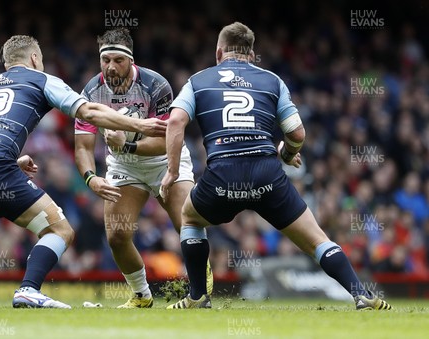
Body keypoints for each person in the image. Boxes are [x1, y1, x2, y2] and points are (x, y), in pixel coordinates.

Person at [0, 35, 166, 309]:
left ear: (6, 63)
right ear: (35, 59)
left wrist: (13, 162)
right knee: (60, 230)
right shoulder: (42, 79)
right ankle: (28, 289)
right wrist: (142, 126)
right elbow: (89, 112)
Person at [160, 22, 392, 311]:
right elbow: (296, 134)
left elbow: (174, 122)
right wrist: (287, 155)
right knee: (316, 240)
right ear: (251, 53)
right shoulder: (272, 80)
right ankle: (361, 294)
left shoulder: (198, 80)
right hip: (267, 175)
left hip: (223, 175)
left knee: (191, 220)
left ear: (219, 52)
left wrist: (172, 170)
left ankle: (197, 297)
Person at [74, 28, 212, 308]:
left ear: (131, 60)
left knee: (187, 224)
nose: (111, 66)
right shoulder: (91, 91)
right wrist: (90, 178)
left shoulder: (155, 85)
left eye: (118, 60)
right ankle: (141, 295)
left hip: (165, 162)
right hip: (125, 167)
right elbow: (83, 147)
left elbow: (165, 141)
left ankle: (200, 288)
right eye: (105, 60)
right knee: (117, 235)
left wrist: (126, 145)